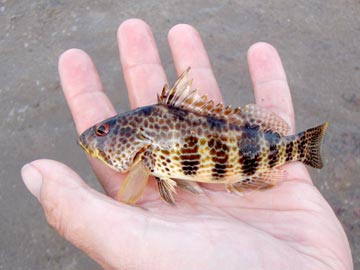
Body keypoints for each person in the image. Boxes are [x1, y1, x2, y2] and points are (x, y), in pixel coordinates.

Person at [21, 19, 353, 270]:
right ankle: (295, 147)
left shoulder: (147, 156)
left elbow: (132, 192)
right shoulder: (146, 155)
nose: (95, 138)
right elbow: (137, 189)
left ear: (131, 135)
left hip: (254, 153)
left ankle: (298, 148)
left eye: (105, 130)